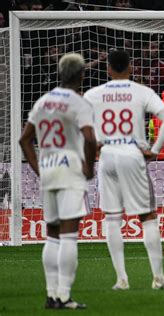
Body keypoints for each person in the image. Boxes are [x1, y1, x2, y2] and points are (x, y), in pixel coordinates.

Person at [84, 50, 164, 290]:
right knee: (147, 216)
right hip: (132, 153)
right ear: (131, 68)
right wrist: (154, 149)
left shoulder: (94, 94)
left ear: (108, 69)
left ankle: (121, 279)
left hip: (107, 156)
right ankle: (158, 277)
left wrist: (93, 146)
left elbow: (79, 123)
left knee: (112, 217)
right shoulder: (141, 91)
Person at [19, 53, 97, 309]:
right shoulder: (78, 102)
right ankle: (64, 295)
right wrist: (88, 167)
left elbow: (24, 140)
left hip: (49, 169)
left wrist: (39, 169)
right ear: (81, 75)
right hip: (70, 169)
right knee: (69, 235)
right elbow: (89, 138)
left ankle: (51, 295)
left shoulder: (44, 101)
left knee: (51, 235)